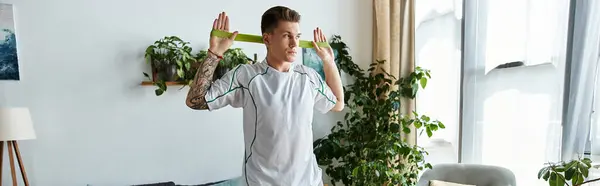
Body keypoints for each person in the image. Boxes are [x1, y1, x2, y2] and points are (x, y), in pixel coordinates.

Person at [185, 6, 344, 186]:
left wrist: (329, 63)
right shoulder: (246, 76)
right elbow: (195, 101)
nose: (294, 44)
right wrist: (214, 54)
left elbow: (338, 104)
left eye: (297, 36)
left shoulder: (308, 78)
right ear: (267, 39)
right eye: (286, 36)